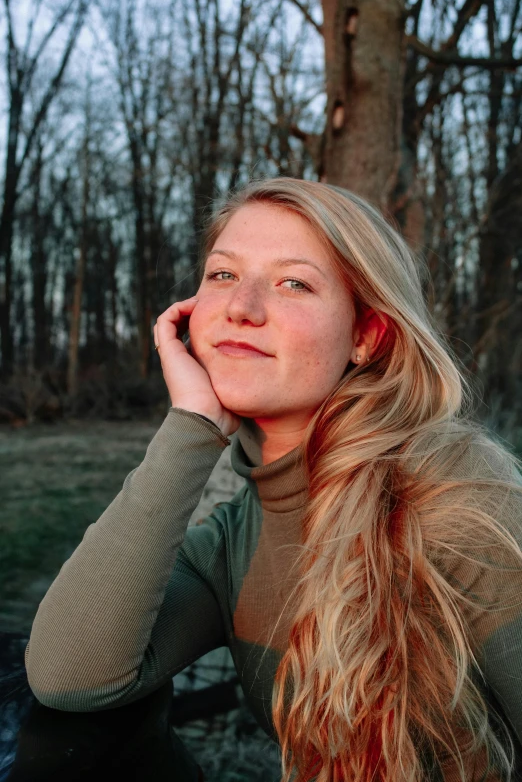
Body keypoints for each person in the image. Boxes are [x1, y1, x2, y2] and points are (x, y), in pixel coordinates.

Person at [24, 177, 522, 782]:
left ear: (366, 336)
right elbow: (68, 674)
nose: (241, 307)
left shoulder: (455, 489)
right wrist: (190, 427)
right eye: (223, 275)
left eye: (294, 283)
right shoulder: (231, 543)